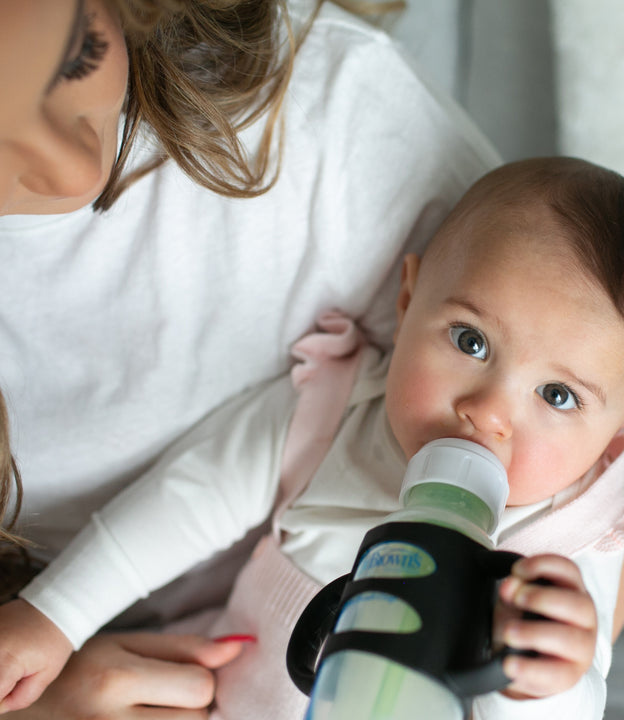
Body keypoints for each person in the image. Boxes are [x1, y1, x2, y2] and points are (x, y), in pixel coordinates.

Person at [0, 157, 624, 718]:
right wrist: (54, 616)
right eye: (470, 341)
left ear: (616, 430)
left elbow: (567, 705)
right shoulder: (333, 412)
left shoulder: (578, 534)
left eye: (559, 395)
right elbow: (185, 501)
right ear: (406, 299)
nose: (488, 412)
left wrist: (551, 677)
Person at [0, 0, 504, 716]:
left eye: (80, 53)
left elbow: (596, 412)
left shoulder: (323, 115)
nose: (73, 168)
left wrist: (550, 659)